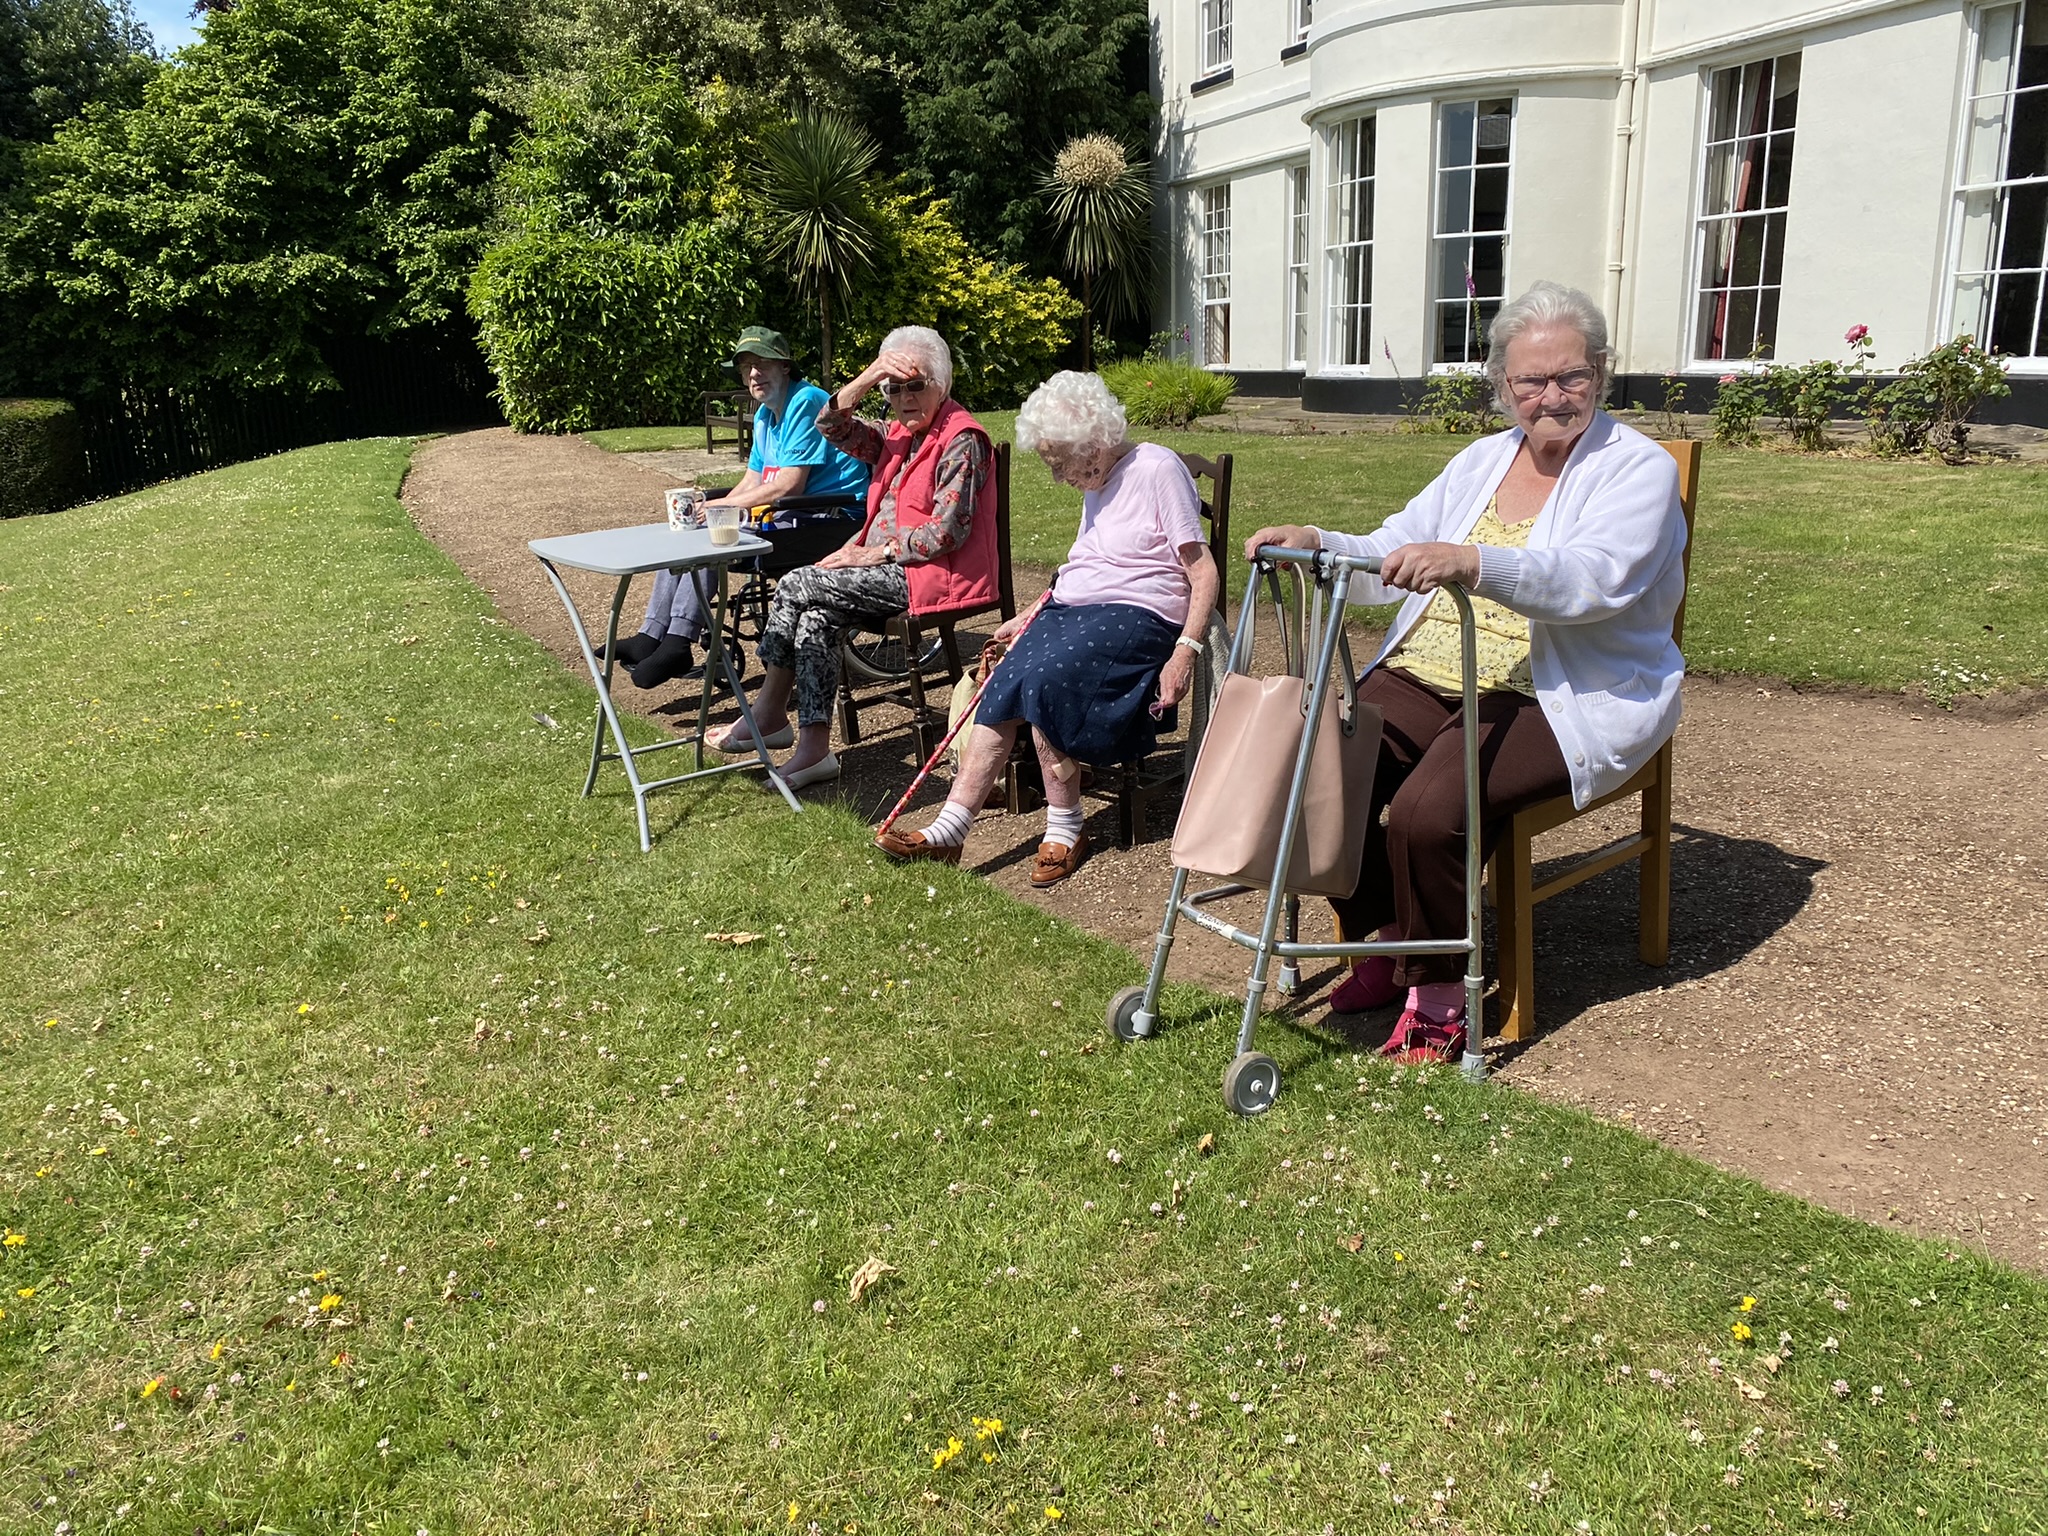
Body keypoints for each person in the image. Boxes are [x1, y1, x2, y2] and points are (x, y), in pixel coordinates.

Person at [1241, 281, 1689, 1061]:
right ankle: (1394, 944)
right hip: (1434, 664)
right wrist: (1318, 539)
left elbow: (1593, 579)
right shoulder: (1483, 459)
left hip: (1561, 686)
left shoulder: (1637, 470)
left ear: (1602, 372)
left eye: (1571, 376)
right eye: (1531, 381)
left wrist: (1475, 561)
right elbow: (1396, 548)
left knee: (1428, 813)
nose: (1552, 396)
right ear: (1503, 385)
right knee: (1320, 776)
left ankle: (1442, 996)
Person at [877, 371, 1218, 886]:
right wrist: (1029, 612)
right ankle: (951, 829)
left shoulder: (1156, 468)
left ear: (1095, 442)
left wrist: (1185, 650)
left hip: (1137, 614)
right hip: (1074, 609)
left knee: (1045, 680)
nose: (1059, 477)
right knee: (1005, 677)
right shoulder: (1097, 477)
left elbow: (1202, 570)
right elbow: (1082, 565)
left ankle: (1066, 828)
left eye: (1061, 464)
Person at [706, 326, 1000, 788]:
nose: (903, 397)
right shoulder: (895, 434)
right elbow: (831, 425)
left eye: (915, 385)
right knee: (814, 618)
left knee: (796, 583)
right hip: (886, 568)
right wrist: (869, 376)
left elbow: (948, 531)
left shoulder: (963, 439)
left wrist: (873, 553)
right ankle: (813, 749)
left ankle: (768, 712)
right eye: (894, 388)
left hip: (929, 575)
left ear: (941, 385)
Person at [605, 326, 869, 689]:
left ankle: (678, 641)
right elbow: (753, 482)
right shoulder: (764, 414)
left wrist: (720, 507)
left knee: (720, 535)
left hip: (832, 516)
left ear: (785, 367)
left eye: (762, 365)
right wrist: (710, 505)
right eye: (747, 368)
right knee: (693, 529)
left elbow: (790, 484)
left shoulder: (805, 401)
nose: (754, 375)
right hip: (792, 510)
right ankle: (652, 634)